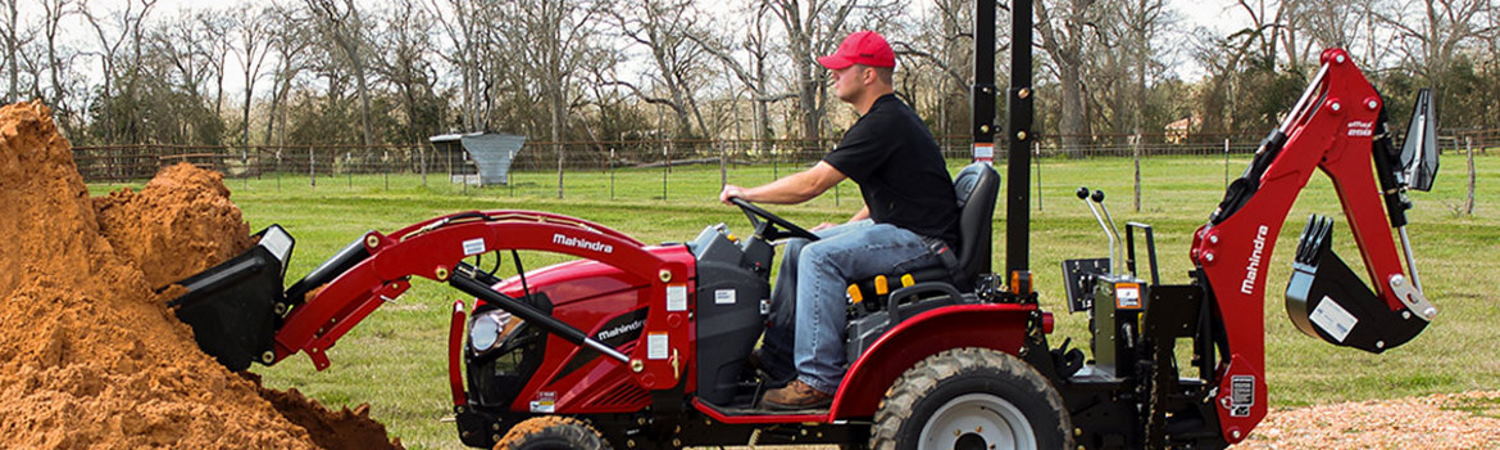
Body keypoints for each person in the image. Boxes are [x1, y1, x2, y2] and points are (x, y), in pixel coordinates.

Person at [718, 30, 960, 410]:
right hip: (903, 226)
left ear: (868, 75)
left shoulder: (885, 123)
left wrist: (747, 193)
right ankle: (777, 358)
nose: (833, 75)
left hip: (923, 240)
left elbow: (812, 184)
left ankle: (818, 380)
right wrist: (845, 229)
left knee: (820, 257)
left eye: (840, 69)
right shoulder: (885, 119)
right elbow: (893, 194)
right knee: (803, 245)